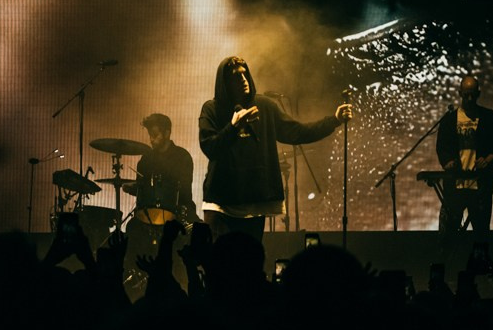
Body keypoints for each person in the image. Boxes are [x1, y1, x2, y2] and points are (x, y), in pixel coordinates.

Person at [199, 56, 352, 241]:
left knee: (249, 264)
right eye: (236, 77)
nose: (244, 80)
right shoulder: (212, 109)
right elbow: (209, 147)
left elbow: (297, 132)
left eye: (244, 74)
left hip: (253, 204)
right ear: (224, 83)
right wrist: (233, 127)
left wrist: (333, 121)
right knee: (218, 263)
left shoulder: (265, 106)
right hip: (221, 203)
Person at [123, 113, 198, 295]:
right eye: (150, 135)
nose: (151, 139)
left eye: (155, 135)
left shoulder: (182, 156)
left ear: (167, 133)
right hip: (148, 214)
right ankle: (134, 278)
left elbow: (185, 191)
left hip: (178, 211)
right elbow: (141, 190)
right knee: (132, 228)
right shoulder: (146, 159)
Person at [435, 75, 493, 235]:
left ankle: (479, 258)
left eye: (472, 94)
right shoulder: (449, 120)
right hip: (455, 184)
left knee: (481, 231)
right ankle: (448, 259)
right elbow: (441, 147)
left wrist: (488, 159)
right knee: (448, 232)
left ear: (478, 94)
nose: (469, 98)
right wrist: (447, 162)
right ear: (460, 93)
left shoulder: (489, 117)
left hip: (480, 184)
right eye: (466, 94)